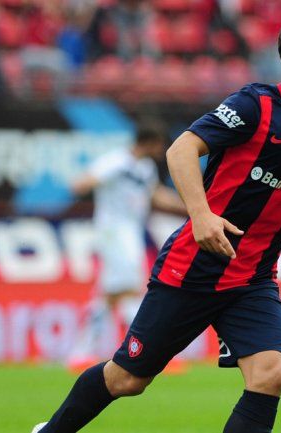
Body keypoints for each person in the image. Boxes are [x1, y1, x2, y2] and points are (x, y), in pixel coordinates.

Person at [32, 11, 281, 433]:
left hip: (253, 278)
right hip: (194, 267)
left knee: (271, 373)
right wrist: (202, 216)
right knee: (127, 378)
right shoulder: (256, 104)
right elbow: (181, 150)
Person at [66, 124, 185, 372]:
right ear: (150, 142)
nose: (161, 150)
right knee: (132, 287)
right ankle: (151, 351)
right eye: (159, 145)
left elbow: (154, 195)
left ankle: (80, 353)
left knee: (109, 295)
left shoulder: (145, 168)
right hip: (112, 230)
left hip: (130, 232)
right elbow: (81, 183)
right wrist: (86, 183)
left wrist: (191, 207)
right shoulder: (116, 162)